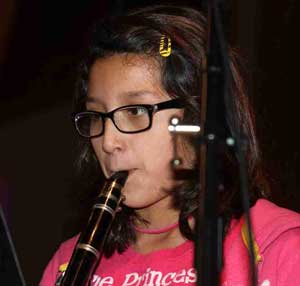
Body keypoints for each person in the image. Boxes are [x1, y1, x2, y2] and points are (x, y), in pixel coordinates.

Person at [40, 5, 300, 286]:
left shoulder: (277, 247)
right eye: (97, 117)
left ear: (198, 116)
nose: (108, 141)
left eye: (136, 111)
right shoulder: (65, 264)